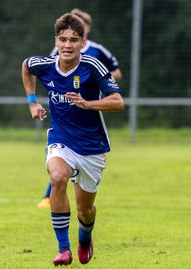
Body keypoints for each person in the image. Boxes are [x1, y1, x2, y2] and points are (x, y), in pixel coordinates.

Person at [22, 13, 124, 265]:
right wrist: (32, 102)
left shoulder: (92, 67)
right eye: (63, 39)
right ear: (56, 41)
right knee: (57, 178)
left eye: (74, 40)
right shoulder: (44, 65)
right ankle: (63, 249)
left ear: (82, 42)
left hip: (91, 146)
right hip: (60, 139)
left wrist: (88, 104)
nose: (68, 45)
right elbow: (26, 67)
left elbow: (118, 102)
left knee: (85, 211)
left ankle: (85, 238)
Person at [37, 8, 123, 209]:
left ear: (86, 31)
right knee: (58, 170)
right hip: (64, 111)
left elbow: (116, 73)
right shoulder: (61, 50)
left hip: (92, 105)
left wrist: (97, 81)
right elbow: (48, 70)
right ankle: (48, 195)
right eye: (63, 38)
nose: (68, 43)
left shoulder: (97, 52)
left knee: (84, 207)